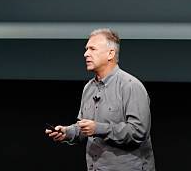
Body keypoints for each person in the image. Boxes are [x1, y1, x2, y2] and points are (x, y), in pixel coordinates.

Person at [46, 28, 156, 171]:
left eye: (92, 49)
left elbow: (138, 132)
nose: (86, 54)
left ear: (110, 54)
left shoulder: (131, 86)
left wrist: (98, 128)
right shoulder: (88, 88)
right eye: (86, 49)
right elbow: (84, 128)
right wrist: (67, 132)